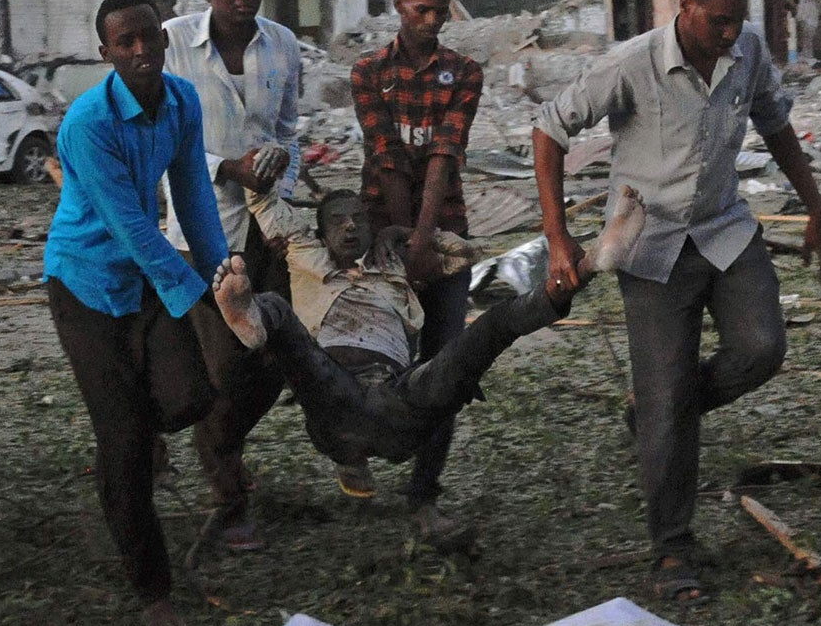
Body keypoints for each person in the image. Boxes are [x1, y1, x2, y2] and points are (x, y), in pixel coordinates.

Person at [531, 0, 821, 602]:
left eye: (736, 22)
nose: (729, 34)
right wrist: (559, 239)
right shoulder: (632, 63)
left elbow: (776, 126)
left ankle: (660, 408)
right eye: (718, 22)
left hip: (723, 227)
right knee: (667, 397)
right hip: (650, 242)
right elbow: (549, 129)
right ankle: (671, 550)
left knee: (761, 348)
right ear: (685, 9)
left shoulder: (747, 50)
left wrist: (815, 206)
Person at [208, 187, 646, 474]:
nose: (350, 227)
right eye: (338, 221)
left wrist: (408, 236)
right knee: (278, 312)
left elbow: (464, 253)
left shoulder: (394, 264)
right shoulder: (304, 254)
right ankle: (253, 324)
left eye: (359, 219)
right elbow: (262, 200)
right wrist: (264, 164)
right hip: (332, 396)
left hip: (399, 398)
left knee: (486, 333)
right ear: (319, 233)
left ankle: (590, 265)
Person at [42, 0, 229, 626]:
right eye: (127, 42)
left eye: (150, 36)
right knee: (121, 441)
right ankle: (153, 592)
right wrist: (194, 290)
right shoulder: (88, 124)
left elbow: (193, 194)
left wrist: (222, 270)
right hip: (85, 284)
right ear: (106, 54)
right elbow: (130, 228)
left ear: (165, 37)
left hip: (146, 276)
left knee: (191, 398)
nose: (143, 50)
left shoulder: (181, 101)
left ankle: (136, 426)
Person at [162, 0, 302, 552]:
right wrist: (227, 167)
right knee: (224, 367)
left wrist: (281, 191)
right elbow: (158, 138)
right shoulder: (169, 43)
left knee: (275, 358)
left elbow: (290, 131)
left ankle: (221, 450)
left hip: (266, 232)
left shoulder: (283, 44)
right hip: (201, 231)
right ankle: (228, 494)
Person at [348, 0, 484, 542]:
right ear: (399, 7)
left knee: (446, 365)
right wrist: (404, 248)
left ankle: (425, 494)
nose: (431, 20)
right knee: (372, 359)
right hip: (379, 236)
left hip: (444, 237)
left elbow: (441, 158)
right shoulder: (368, 72)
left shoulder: (465, 73)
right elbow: (386, 157)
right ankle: (352, 448)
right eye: (420, 10)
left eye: (440, 10)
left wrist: (425, 245)